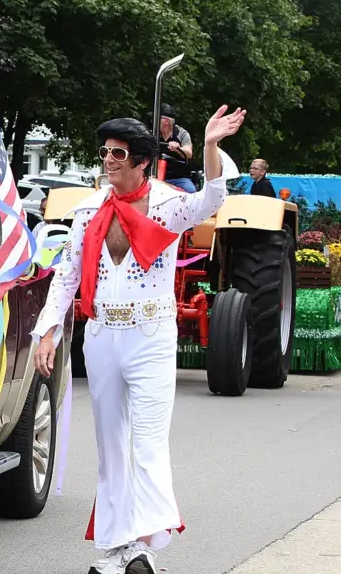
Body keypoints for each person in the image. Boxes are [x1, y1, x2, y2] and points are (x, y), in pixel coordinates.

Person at [31, 105, 246, 574]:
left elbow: (211, 198)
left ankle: (143, 547)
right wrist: (47, 330)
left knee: (147, 444)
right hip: (103, 335)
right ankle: (115, 548)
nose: (108, 161)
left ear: (141, 161)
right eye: (104, 152)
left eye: (118, 154)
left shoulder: (169, 205)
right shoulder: (88, 211)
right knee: (111, 446)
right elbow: (66, 276)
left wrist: (209, 146)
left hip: (151, 335)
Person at [156, 104, 196, 193]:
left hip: (178, 178)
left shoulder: (181, 133)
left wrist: (178, 148)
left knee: (191, 191)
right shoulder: (153, 133)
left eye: (157, 118)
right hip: (155, 176)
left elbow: (189, 153)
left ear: (166, 121)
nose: (154, 121)